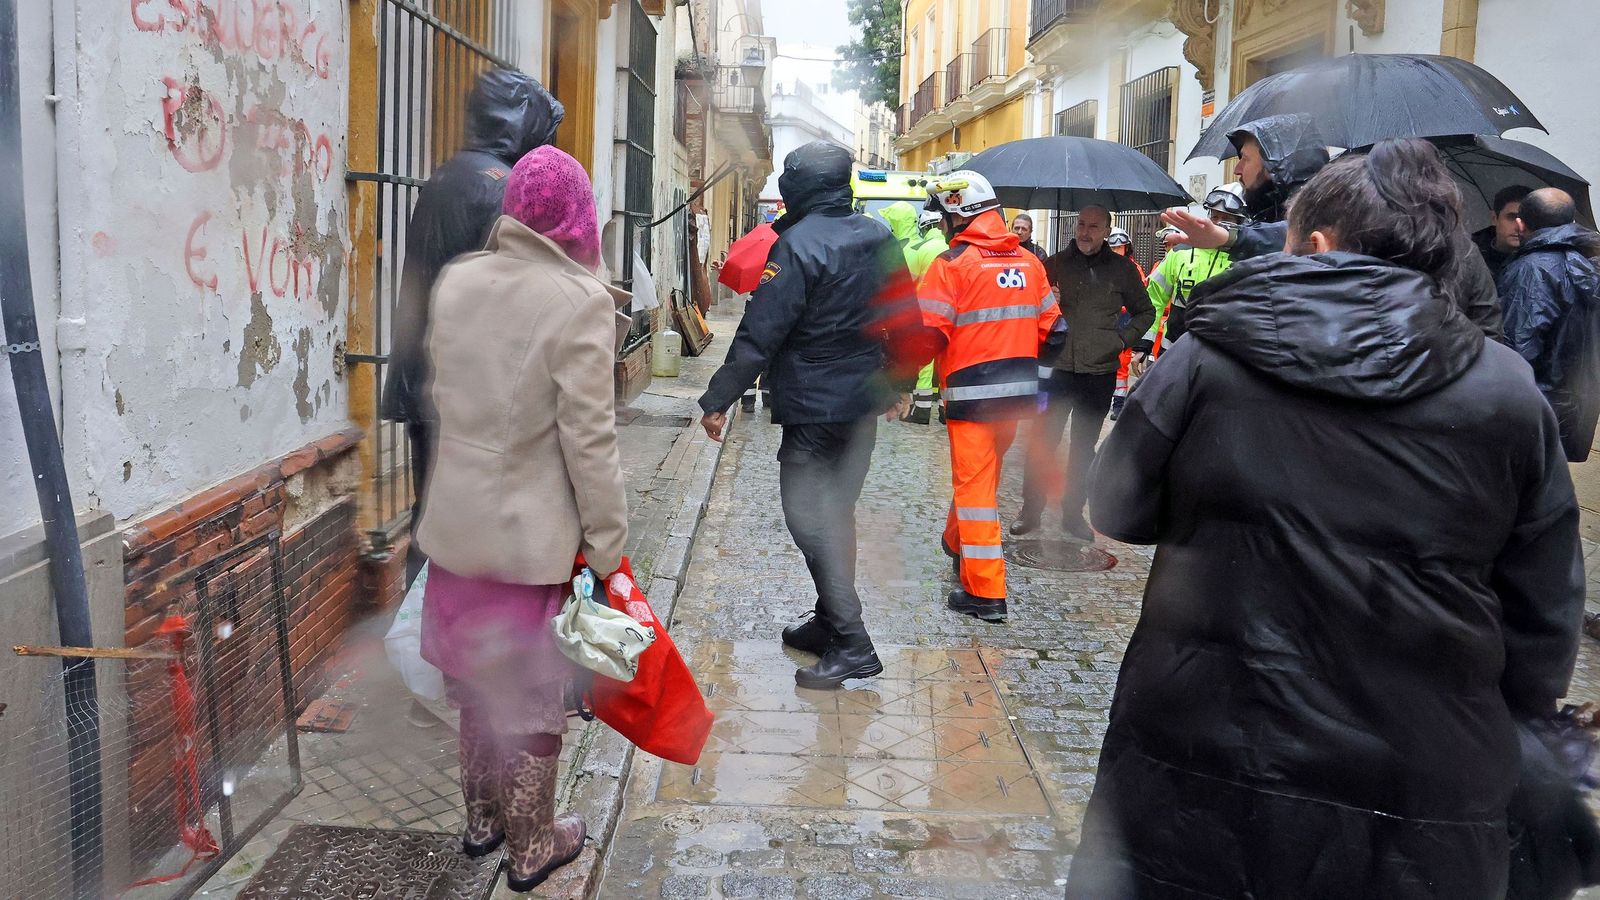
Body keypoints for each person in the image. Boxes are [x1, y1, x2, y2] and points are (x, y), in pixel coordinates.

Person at [1066, 140, 1584, 899]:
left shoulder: (1209, 357)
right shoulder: (1507, 389)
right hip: (1422, 762)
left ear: (1315, 243)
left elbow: (1116, 505)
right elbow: (1543, 607)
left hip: (1209, 736)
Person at [416, 146, 630, 893]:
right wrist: (608, 548)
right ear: (576, 216)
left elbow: (444, 390)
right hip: (527, 538)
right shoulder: (579, 301)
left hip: (455, 529)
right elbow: (589, 440)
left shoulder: (459, 281)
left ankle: (482, 823)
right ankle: (533, 844)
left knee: (477, 679)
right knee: (534, 696)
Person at [697, 142, 911, 688]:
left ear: (804, 185)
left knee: (810, 518)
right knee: (835, 514)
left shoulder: (796, 244)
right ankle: (828, 622)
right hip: (860, 404)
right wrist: (900, 383)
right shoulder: (878, 234)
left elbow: (760, 333)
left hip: (814, 408)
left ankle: (854, 641)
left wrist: (718, 397)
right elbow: (905, 316)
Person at [382, 69, 565, 585]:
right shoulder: (506, 190)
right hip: (475, 388)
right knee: (473, 524)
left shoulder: (445, 177)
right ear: (522, 121)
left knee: (430, 509)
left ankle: (417, 634)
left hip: (425, 376)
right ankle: (452, 642)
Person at [1161, 114, 1505, 338]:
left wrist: (1228, 237)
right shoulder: (1266, 211)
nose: (1237, 171)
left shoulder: (1349, 226)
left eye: (1245, 159)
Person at [911, 171, 1064, 622]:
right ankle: (954, 541)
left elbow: (927, 338)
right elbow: (1055, 333)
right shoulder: (1031, 265)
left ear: (958, 216)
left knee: (977, 490)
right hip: (1015, 399)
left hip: (971, 399)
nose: (940, 226)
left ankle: (986, 592)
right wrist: (1037, 385)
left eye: (943, 217)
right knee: (982, 477)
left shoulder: (951, 265)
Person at [1015, 205, 1151, 540]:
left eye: (1093, 226)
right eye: (1081, 224)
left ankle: (1073, 514)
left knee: (1083, 446)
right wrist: (1047, 299)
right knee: (1043, 442)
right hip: (1055, 370)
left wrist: (1120, 341)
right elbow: (1024, 307)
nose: (1085, 232)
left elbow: (1145, 311)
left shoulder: (1121, 270)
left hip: (1098, 373)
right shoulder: (1054, 265)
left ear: (1106, 230)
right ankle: (1030, 510)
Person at [1499, 187, 1600, 462]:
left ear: (1521, 224)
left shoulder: (1532, 270)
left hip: (1532, 413)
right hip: (1576, 413)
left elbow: (1516, 351)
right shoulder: (1589, 264)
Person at [1138, 184, 1241, 355]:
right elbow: (1153, 299)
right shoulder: (1180, 252)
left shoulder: (1247, 259)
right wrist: (1143, 343)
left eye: (1226, 218)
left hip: (1220, 360)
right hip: (1172, 355)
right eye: (1214, 216)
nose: (1217, 223)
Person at [879, 202, 949, 424]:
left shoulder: (907, 249)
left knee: (922, 361)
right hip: (945, 309)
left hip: (918, 310)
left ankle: (920, 409)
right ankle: (942, 409)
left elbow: (899, 282)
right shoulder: (937, 246)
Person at [1106, 227, 1148, 420]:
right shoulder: (1103, 267)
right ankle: (1105, 400)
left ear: (1127, 247)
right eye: (1113, 248)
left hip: (1124, 317)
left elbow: (1140, 299)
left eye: (1119, 247)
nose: (1116, 251)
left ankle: (1119, 405)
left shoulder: (1134, 268)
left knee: (1122, 363)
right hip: (1107, 317)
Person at [1476, 184, 1534, 282]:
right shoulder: (1467, 254)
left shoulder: (1541, 264)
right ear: (1494, 218)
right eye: (1512, 217)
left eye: (1527, 219)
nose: (1519, 227)